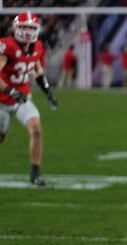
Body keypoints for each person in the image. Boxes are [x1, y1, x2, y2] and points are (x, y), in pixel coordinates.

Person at [0, 12, 58, 186]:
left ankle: (35, 172)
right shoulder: (6, 46)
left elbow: (38, 72)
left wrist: (48, 93)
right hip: (2, 100)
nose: (26, 32)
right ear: (15, 28)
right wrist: (11, 91)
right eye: (23, 27)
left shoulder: (38, 46)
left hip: (21, 98)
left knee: (36, 129)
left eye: (30, 28)